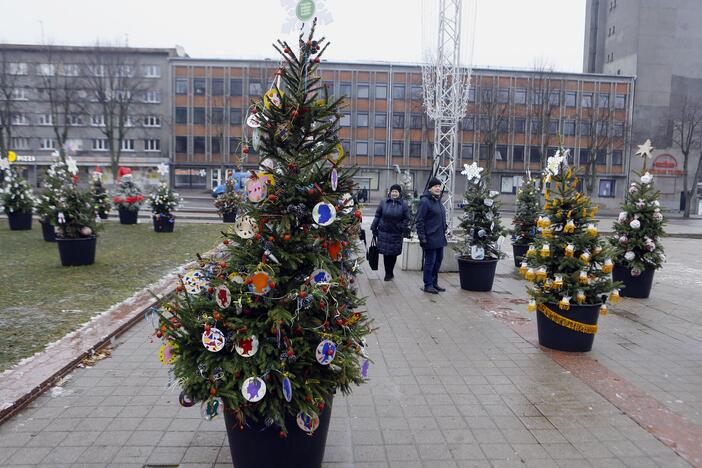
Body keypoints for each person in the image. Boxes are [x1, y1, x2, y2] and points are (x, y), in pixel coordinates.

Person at [370, 184, 410, 281]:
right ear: (390, 192)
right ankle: (387, 273)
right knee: (386, 254)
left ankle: (390, 271)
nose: (394, 193)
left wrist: (401, 227)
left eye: (396, 192)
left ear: (399, 193)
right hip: (384, 232)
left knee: (393, 254)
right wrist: (373, 226)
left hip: (396, 233)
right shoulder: (384, 202)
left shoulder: (403, 204)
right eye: (393, 191)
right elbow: (378, 215)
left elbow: (407, 218)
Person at [415, 177, 447, 294]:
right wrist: (422, 237)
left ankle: (434, 283)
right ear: (430, 188)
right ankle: (428, 284)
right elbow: (419, 221)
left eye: (439, 186)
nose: (438, 188)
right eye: (435, 186)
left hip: (439, 237)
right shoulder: (425, 201)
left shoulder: (437, 201)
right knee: (430, 262)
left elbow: (439, 217)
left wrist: (445, 227)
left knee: (438, 261)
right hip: (430, 238)